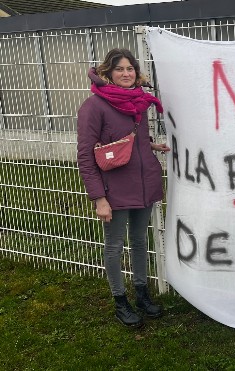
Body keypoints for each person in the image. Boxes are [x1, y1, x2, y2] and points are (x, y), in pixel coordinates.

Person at [77, 48, 170, 328]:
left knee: (140, 241)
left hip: (143, 185)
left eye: (130, 68)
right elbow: (85, 155)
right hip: (113, 189)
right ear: (108, 73)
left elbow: (127, 141)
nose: (126, 74)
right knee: (115, 245)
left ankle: (141, 293)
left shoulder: (138, 102)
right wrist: (99, 198)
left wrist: (151, 145)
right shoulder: (94, 106)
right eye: (120, 69)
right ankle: (120, 300)